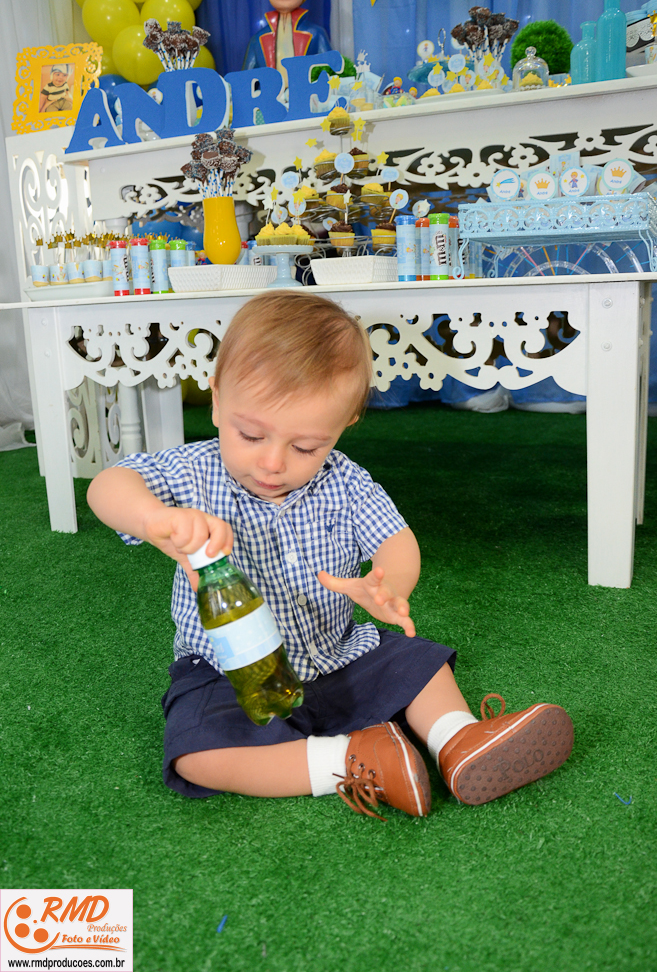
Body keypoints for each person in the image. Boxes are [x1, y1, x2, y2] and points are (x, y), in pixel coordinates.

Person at [87, 293, 574, 820]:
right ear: (218, 401)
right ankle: (354, 759)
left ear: (346, 422)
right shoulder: (191, 471)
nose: (273, 463)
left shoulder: (346, 481)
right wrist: (151, 518)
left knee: (419, 663)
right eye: (251, 434)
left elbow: (396, 541)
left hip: (338, 654)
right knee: (196, 755)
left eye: (306, 447)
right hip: (228, 673)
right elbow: (109, 485)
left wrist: (389, 584)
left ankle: (459, 740)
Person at [243, 0, 331, 89]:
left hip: (306, 99)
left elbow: (331, 74)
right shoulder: (257, 40)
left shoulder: (316, 34)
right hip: (270, 100)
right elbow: (245, 83)